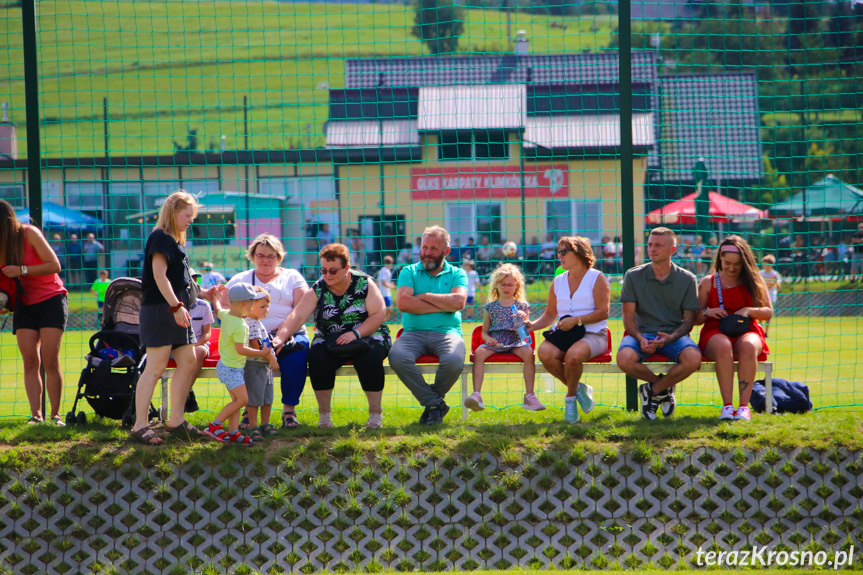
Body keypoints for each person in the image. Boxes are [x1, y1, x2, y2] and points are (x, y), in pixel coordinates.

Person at [276, 243, 391, 428]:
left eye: (333, 270)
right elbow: (297, 315)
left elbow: (379, 314)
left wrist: (356, 333)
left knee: (369, 358)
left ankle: (375, 415)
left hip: (369, 333)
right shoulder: (318, 287)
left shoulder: (364, 283)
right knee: (317, 358)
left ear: (347, 267)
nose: (327, 275)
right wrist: (280, 337)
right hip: (329, 336)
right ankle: (324, 418)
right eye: (323, 270)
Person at [131, 190, 212, 445]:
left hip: (178, 310)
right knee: (155, 366)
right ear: (173, 211)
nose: (191, 220)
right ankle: (140, 425)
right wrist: (176, 306)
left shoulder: (177, 242)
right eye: (187, 215)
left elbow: (181, 280)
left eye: (192, 216)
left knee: (188, 360)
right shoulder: (160, 238)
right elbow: (159, 275)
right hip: (162, 310)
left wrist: (205, 293)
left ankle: (176, 419)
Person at [617, 227, 702, 420]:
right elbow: (628, 317)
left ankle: (652, 390)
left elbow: (689, 320)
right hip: (642, 332)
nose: (652, 249)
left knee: (693, 359)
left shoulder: (688, 279)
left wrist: (670, 337)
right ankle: (662, 389)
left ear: (672, 250)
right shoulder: (633, 275)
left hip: (673, 335)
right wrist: (639, 338)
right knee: (624, 359)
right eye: (649, 245)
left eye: (658, 245)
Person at [226, 234, 310, 429]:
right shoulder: (242, 278)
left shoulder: (293, 277)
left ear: (279, 257)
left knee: (297, 355)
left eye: (271, 256)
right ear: (252, 255)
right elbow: (225, 309)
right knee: (249, 363)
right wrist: (248, 333)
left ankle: (289, 411)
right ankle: (249, 410)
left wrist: (283, 334)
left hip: (290, 333)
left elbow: (302, 309)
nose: (265, 260)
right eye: (260, 255)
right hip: (251, 335)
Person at [526, 236, 610, 424]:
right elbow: (549, 315)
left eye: (564, 252)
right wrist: (532, 325)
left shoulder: (597, 278)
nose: (559, 256)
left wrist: (577, 320)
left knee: (573, 356)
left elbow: (604, 312)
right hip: (565, 334)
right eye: (559, 252)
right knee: (544, 352)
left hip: (594, 334)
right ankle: (579, 388)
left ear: (580, 254)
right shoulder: (558, 281)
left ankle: (570, 399)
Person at [389, 226, 468, 425]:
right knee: (397, 357)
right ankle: (435, 404)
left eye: (434, 248)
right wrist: (443, 305)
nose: (427, 253)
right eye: (425, 247)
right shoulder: (408, 272)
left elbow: (458, 302)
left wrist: (423, 297)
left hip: (447, 333)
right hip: (412, 334)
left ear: (446, 251)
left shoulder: (458, 274)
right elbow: (404, 303)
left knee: (453, 361)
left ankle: (431, 405)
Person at [1, 199, 68, 425]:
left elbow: (54, 265)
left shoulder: (30, 233)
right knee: (30, 360)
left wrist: (22, 269)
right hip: (24, 305)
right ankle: (35, 415)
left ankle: (56, 415)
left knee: (49, 359)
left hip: (51, 299)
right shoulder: (2, 244)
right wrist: (4, 302)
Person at [696, 236, 772, 421]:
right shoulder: (708, 282)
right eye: (727, 263)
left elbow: (768, 312)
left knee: (748, 347)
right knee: (723, 346)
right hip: (715, 331)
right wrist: (708, 311)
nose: (731, 268)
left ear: (745, 262)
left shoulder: (754, 280)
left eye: (737, 264)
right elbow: (695, 319)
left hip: (747, 330)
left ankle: (743, 407)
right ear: (719, 258)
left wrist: (748, 310)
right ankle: (727, 407)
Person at [204, 283, 276, 444]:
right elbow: (241, 350)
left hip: (226, 367)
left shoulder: (228, 315)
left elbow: (217, 309)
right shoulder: (241, 326)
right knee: (242, 400)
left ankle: (234, 431)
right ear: (245, 304)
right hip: (232, 369)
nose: (253, 306)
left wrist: (216, 297)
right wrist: (263, 353)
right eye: (252, 303)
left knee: (236, 402)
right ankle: (215, 425)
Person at [465, 263, 539, 412]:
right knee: (479, 353)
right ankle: (477, 395)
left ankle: (530, 396)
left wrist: (522, 320)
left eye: (510, 285)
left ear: (516, 285)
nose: (506, 288)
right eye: (503, 284)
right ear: (496, 285)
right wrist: (488, 340)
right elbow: (484, 332)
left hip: (516, 341)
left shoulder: (522, 306)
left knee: (528, 353)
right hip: (496, 341)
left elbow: (524, 334)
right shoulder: (490, 307)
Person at [243, 286, 279, 440]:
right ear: (250, 306)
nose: (266, 310)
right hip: (255, 366)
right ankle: (253, 426)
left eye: (267, 307)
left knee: (267, 397)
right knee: (254, 399)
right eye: (262, 307)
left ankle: (265, 423)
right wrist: (271, 357)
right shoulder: (250, 323)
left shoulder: (257, 322)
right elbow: (256, 344)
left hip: (264, 367)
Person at [759, 254, 781, 335]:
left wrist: (775, 280)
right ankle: (760, 328)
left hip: (771, 297)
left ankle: (766, 332)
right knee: (760, 313)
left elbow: (779, 286)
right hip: (761, 296)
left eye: (766, 263)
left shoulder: (775, 274)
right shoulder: (760, 273)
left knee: (768, 314)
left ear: (771, 264)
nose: (764, 265)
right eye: (763, 263)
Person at [377, 255, 396, 319]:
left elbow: (378, 281)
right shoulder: (385, 271)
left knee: (389, 309)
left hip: (386, 293)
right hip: (384, 293)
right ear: (391, 263)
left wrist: (391, 284)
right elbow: (383, 282)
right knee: (388, 309)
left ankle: (383, 322)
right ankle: (382, 322)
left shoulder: (383, 271)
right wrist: (391, 286)